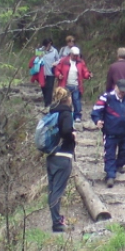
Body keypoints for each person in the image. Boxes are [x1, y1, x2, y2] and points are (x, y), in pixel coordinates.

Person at [91, 79, 125, 188]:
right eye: (121, 91)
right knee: (109, 154)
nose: (122, 93)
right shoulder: (106, 98)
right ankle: (110, 176)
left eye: (124, 91)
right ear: (116, 87)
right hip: (110, 131)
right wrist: (98, 121)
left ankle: (119, 165)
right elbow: (95, 111)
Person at [46, 86, 76, 233]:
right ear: (68, 98)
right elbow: (66, 130)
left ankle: (56, 220)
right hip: (63, 156)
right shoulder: (66, 113)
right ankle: (57, 223)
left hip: (51, 155)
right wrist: (72, 135)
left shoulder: (52, 112)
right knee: (57, 190)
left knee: (52, 190)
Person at [54, 46, 92, 122]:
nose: (75, 57)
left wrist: (88, 75)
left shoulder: (80, 62)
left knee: (76, 100)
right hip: (65, 85)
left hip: (76, 85)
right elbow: (57, 70)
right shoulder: (63, 61)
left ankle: (77, 115)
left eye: (77, 55)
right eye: (74, 55)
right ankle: (65, 115)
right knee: (65, 100)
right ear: (71, 54)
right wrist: (59, 75)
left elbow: (84, 71)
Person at [41, 38, 59, 107]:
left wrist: (55, 63)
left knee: (49, 88)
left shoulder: (54, 51)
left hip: (51, 73)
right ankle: (46, 100)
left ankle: (47, 104)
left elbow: (58, 60)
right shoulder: (40, 50)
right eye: (47, 45)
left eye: (49, 44)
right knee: (43, 88)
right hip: (42, 73)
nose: (48, 46)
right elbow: (36, 59)